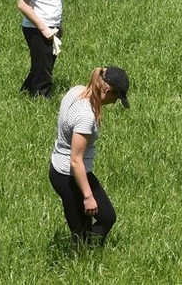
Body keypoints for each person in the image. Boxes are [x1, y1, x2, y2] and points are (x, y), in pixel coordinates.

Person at [49, 66, 130, 247]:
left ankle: (86, 253)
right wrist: (87, 196)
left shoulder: (77, 90)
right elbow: (76, 160)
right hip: (69, 175)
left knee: (85, 229)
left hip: (61, 169)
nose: (116, 101)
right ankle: (81, 258)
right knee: (100, 222)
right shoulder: (86, 116)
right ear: (107, 91)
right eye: (116, 97)